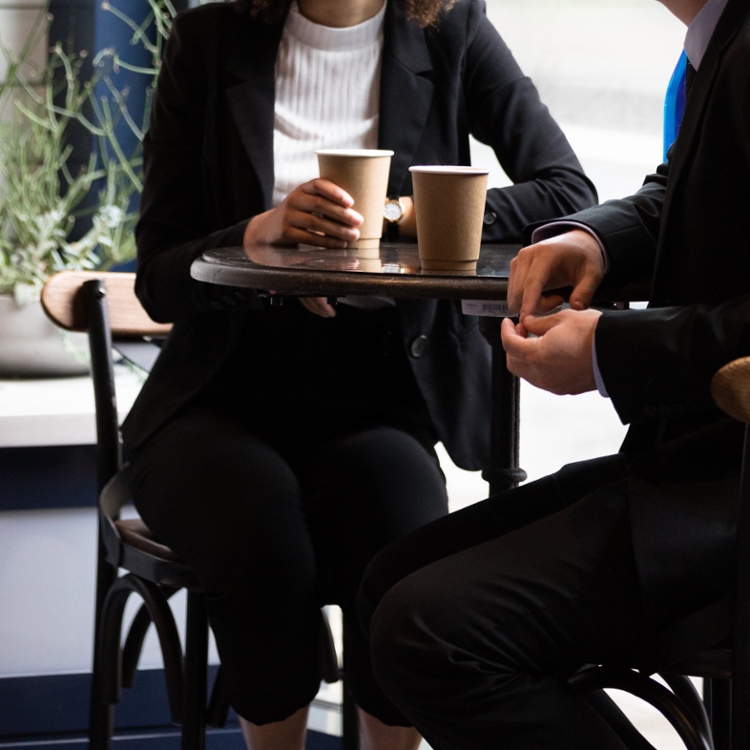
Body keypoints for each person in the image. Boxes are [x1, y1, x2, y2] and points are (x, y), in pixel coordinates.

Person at [120, 0, 596, 746]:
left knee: (402, 552)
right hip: (217, 393)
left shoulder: (452, 30)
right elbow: (157, 277)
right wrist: (257, 232)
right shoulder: (208, 38)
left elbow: (568, 191)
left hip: (379, 396)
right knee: (265, 547)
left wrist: (404, 213)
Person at [358, 0, 750, 747]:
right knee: (386, 588)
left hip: (725, 494)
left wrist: (609, 350)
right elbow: (681, 192)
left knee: (429, 637)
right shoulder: (719, 41)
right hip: (688, 466)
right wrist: (594, 240)